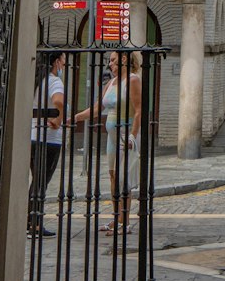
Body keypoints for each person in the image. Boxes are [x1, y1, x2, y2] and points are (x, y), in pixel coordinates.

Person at [75, 50, 143, 233]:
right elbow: (98, 107)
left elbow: (138, 110)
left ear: (123, 59)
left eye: (112, 60)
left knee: (123, 179)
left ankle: (125, 222)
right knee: (113, 177)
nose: (110, 64)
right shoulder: (112, 82)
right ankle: (116, 218)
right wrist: (76, 117)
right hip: (112, 138)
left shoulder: (133, 80)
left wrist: (132, 135)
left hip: (125, 135)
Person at [29, 50, 66, 236]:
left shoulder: (36, 81)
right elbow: (58, 101)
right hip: (49, 139)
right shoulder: (54, 81)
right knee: (41, 182)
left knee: (36, 180)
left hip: (33, 136)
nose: (64, 65)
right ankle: (34, 224)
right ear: (56, 62)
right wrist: (59, 119)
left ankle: (31, 220)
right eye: (63, 61)